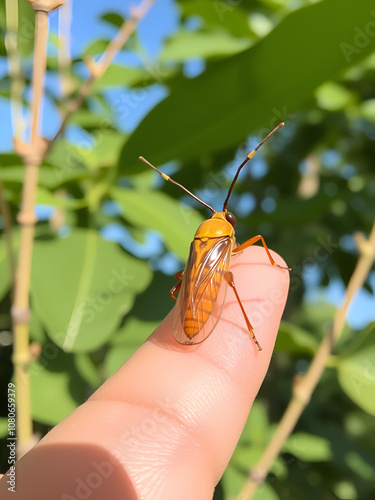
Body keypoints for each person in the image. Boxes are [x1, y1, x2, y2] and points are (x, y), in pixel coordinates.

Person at [0, 245, 289, 500]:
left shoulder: (206, 241)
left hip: (194, 298)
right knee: (237, 284)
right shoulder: (226, 242)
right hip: (205, 298)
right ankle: (249, 327)